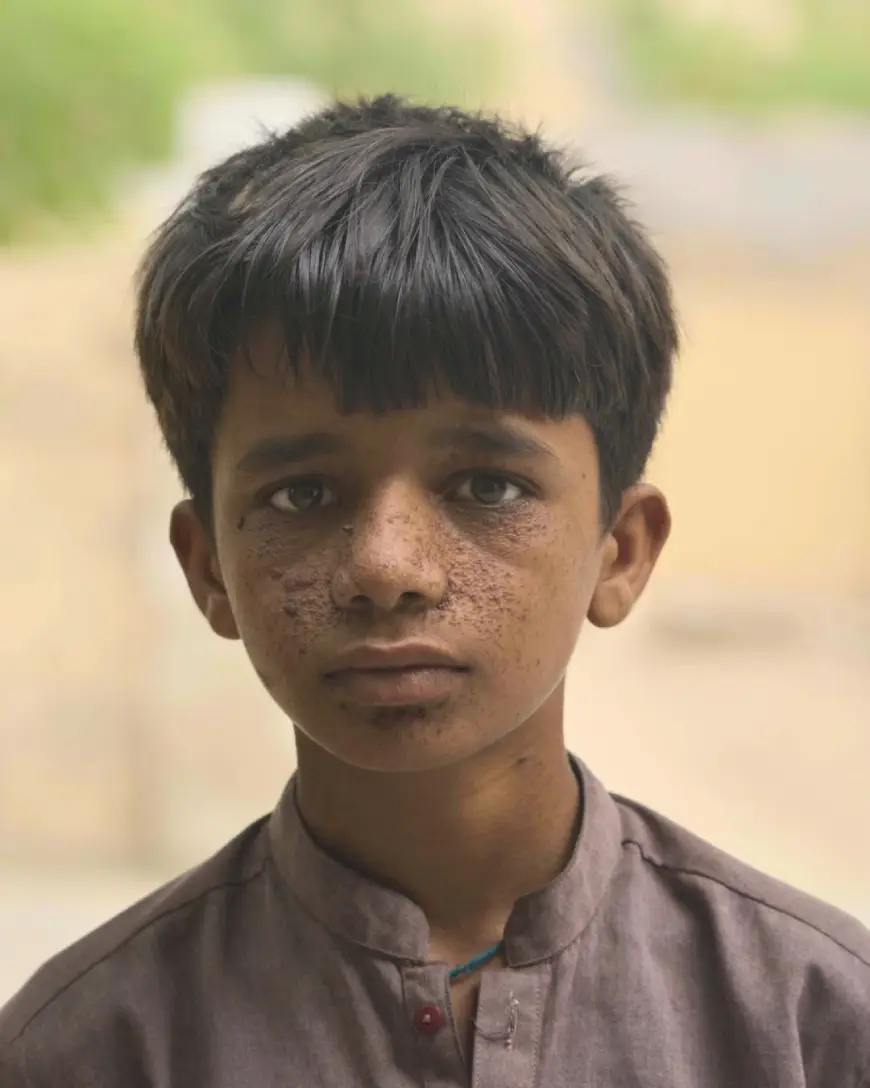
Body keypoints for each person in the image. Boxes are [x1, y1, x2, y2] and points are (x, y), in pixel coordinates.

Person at [1, 94, 867, 1087]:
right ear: (209, 567)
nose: (387, 566)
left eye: (488, 487)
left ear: (621, 550)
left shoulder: (813, 1023)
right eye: (302, 493)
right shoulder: (87, 1050)